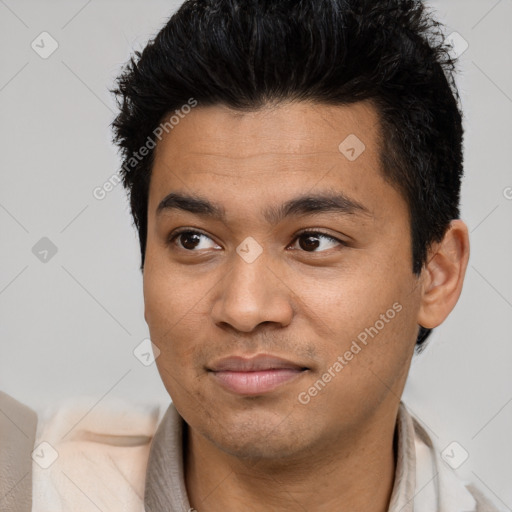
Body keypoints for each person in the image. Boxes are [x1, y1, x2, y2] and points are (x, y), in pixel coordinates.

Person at [0, 0, 501, 510]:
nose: (243, 308)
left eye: (313, 241)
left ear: (437, 274)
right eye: (193, 240)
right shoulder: (23, 483)